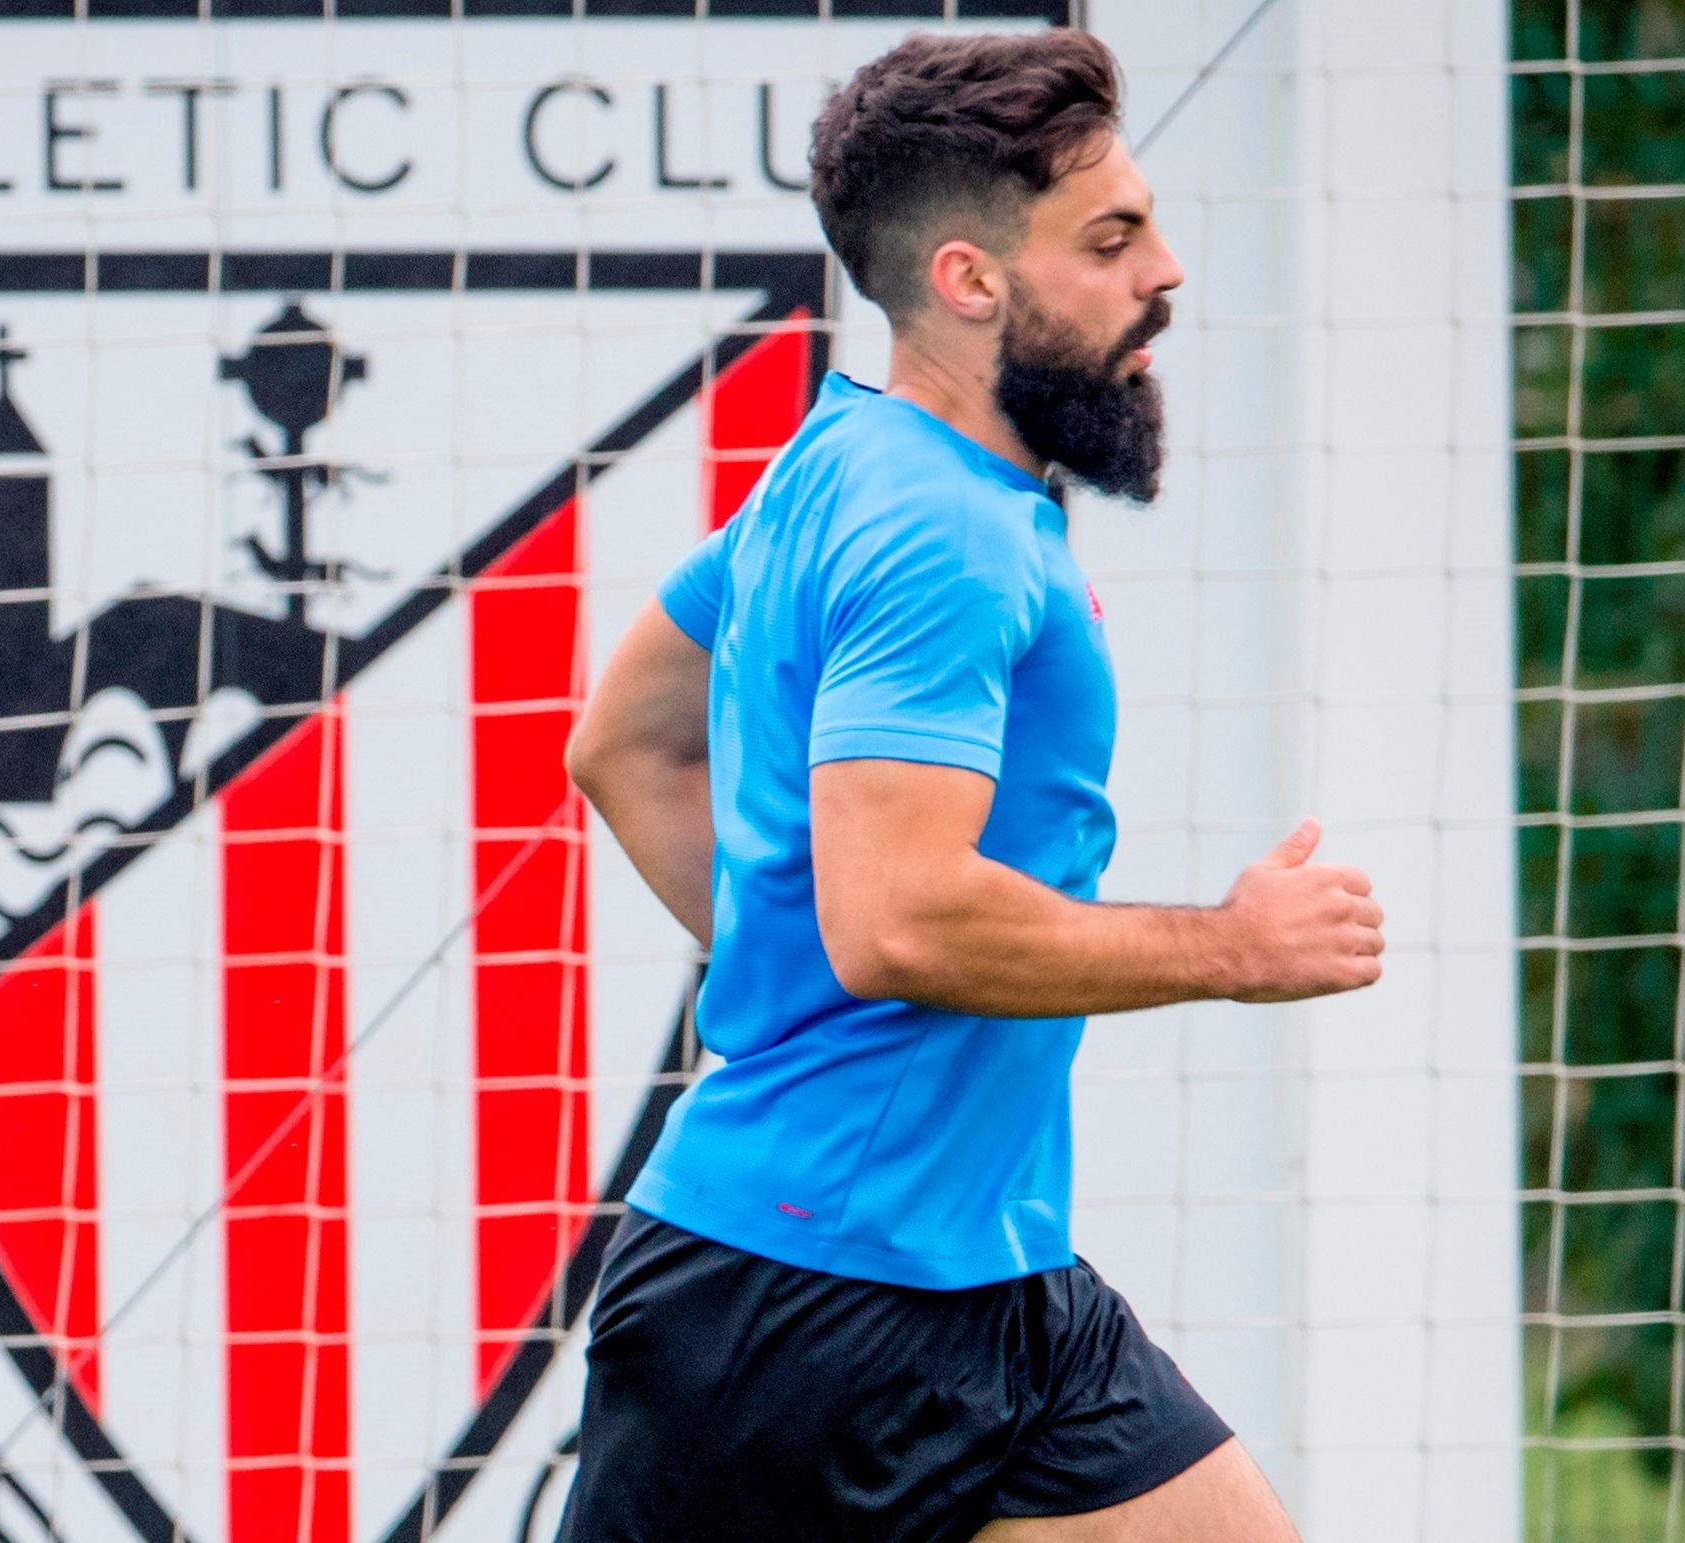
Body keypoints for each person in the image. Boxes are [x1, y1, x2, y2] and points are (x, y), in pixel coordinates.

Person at [557, 29, 1383, 1542]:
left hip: (995, 1279)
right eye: (1110, 242)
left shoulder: (838, 464)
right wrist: (1232, 947)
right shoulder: (944, 533)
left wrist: (796, 966)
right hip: (795, 1307)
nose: (1164, 274)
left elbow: (621, 742)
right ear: (968, 279)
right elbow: (898, 924)